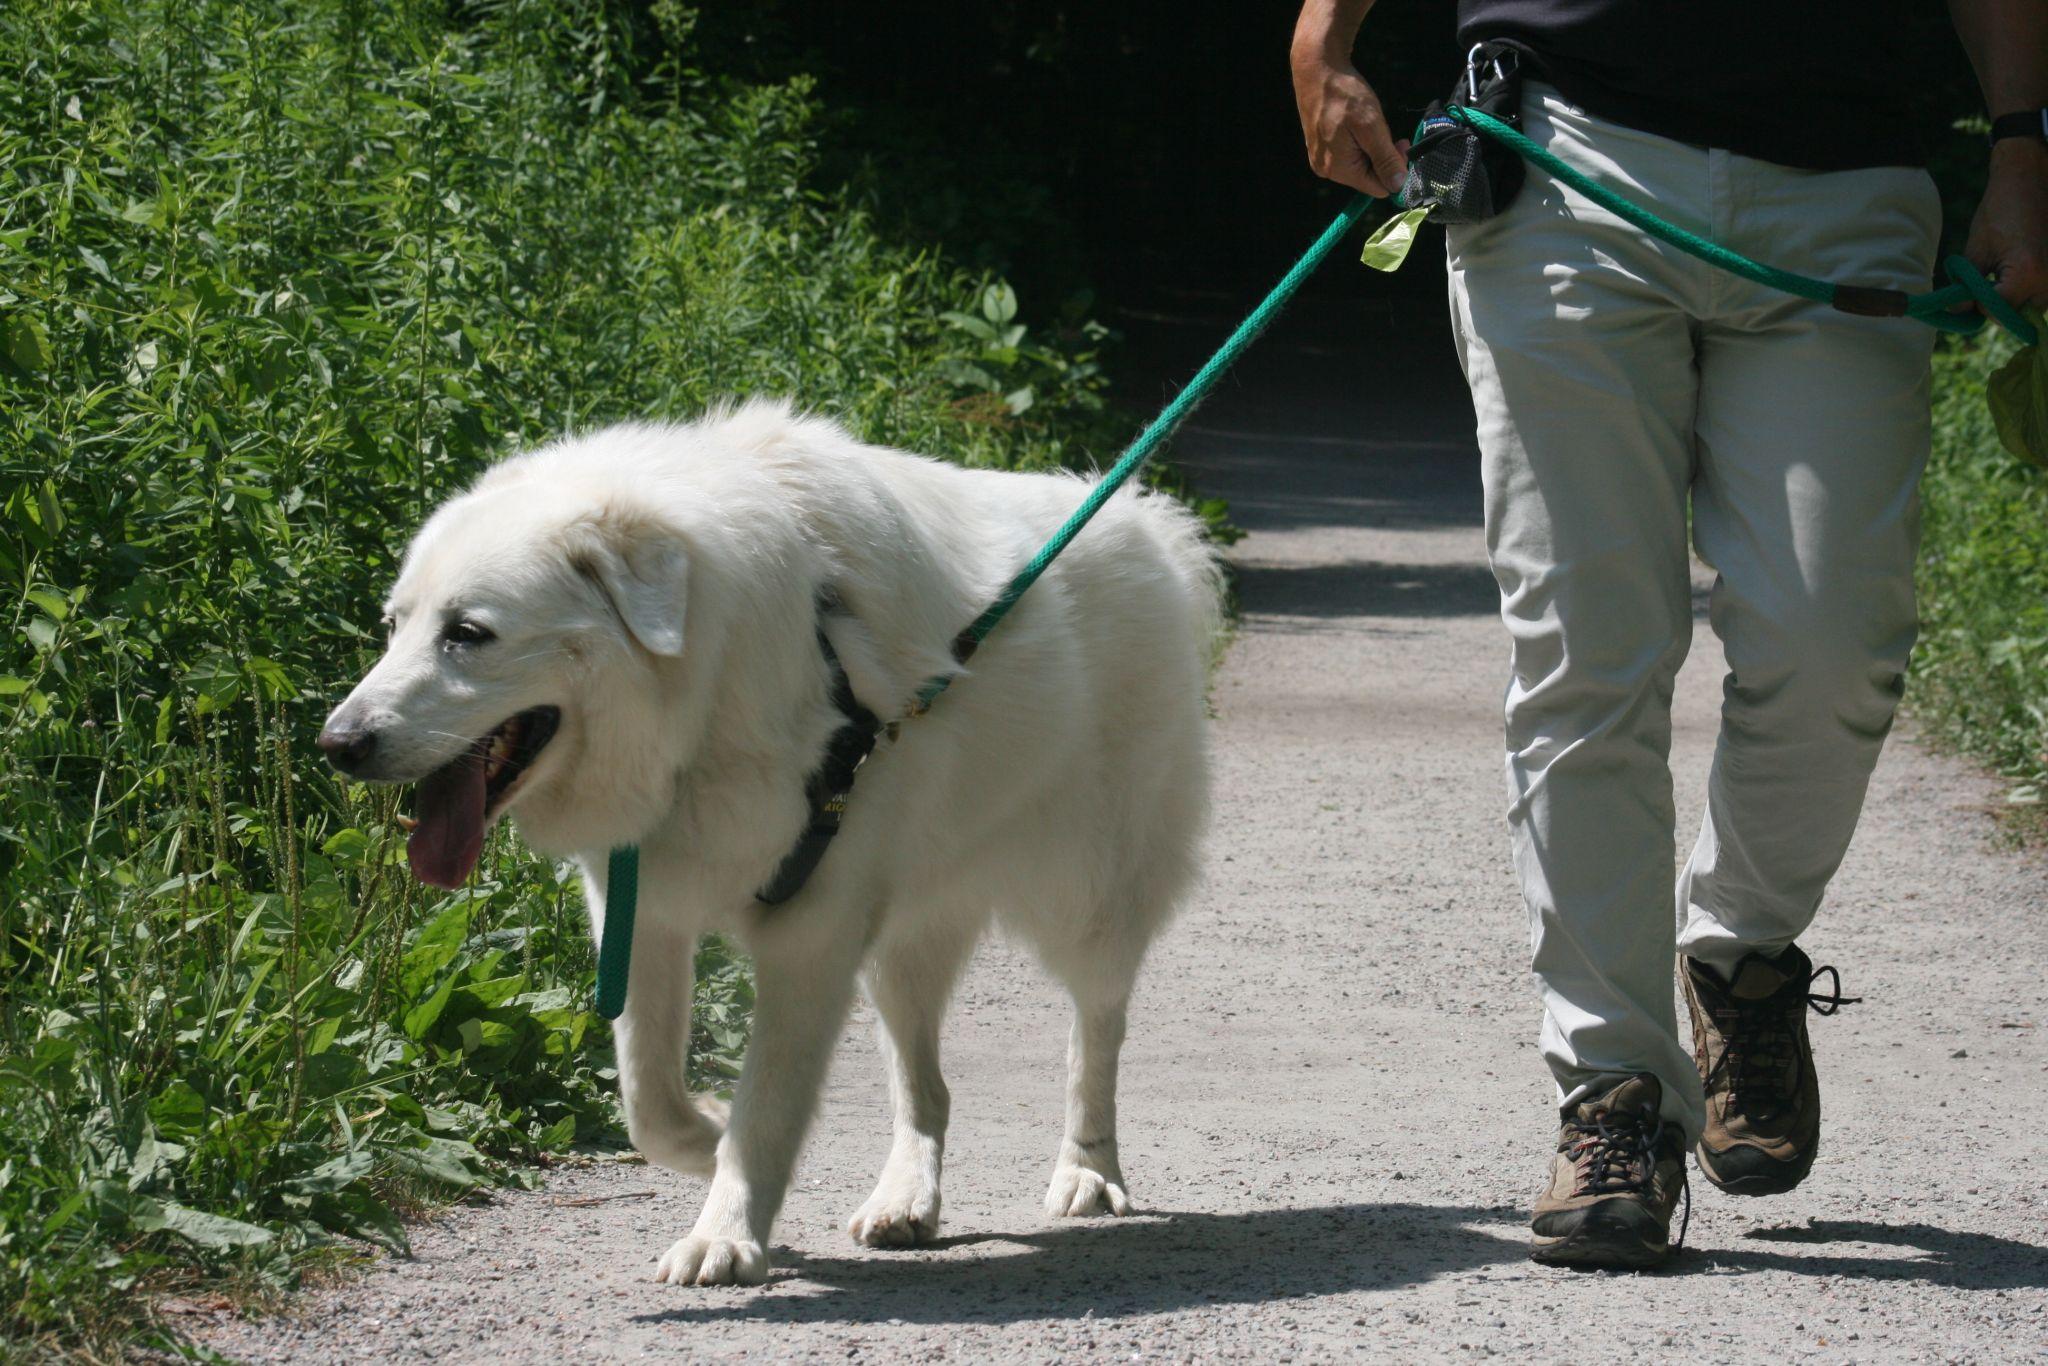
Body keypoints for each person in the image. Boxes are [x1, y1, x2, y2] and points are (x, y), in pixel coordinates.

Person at [1289, 0, 2048, 1267]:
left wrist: (2024, 142)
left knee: (1834, 638)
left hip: (1843, 181)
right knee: (1586, 651)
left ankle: (1740, 954)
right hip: (1565, 166)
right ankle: (1612, 1096)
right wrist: (1320, 39)